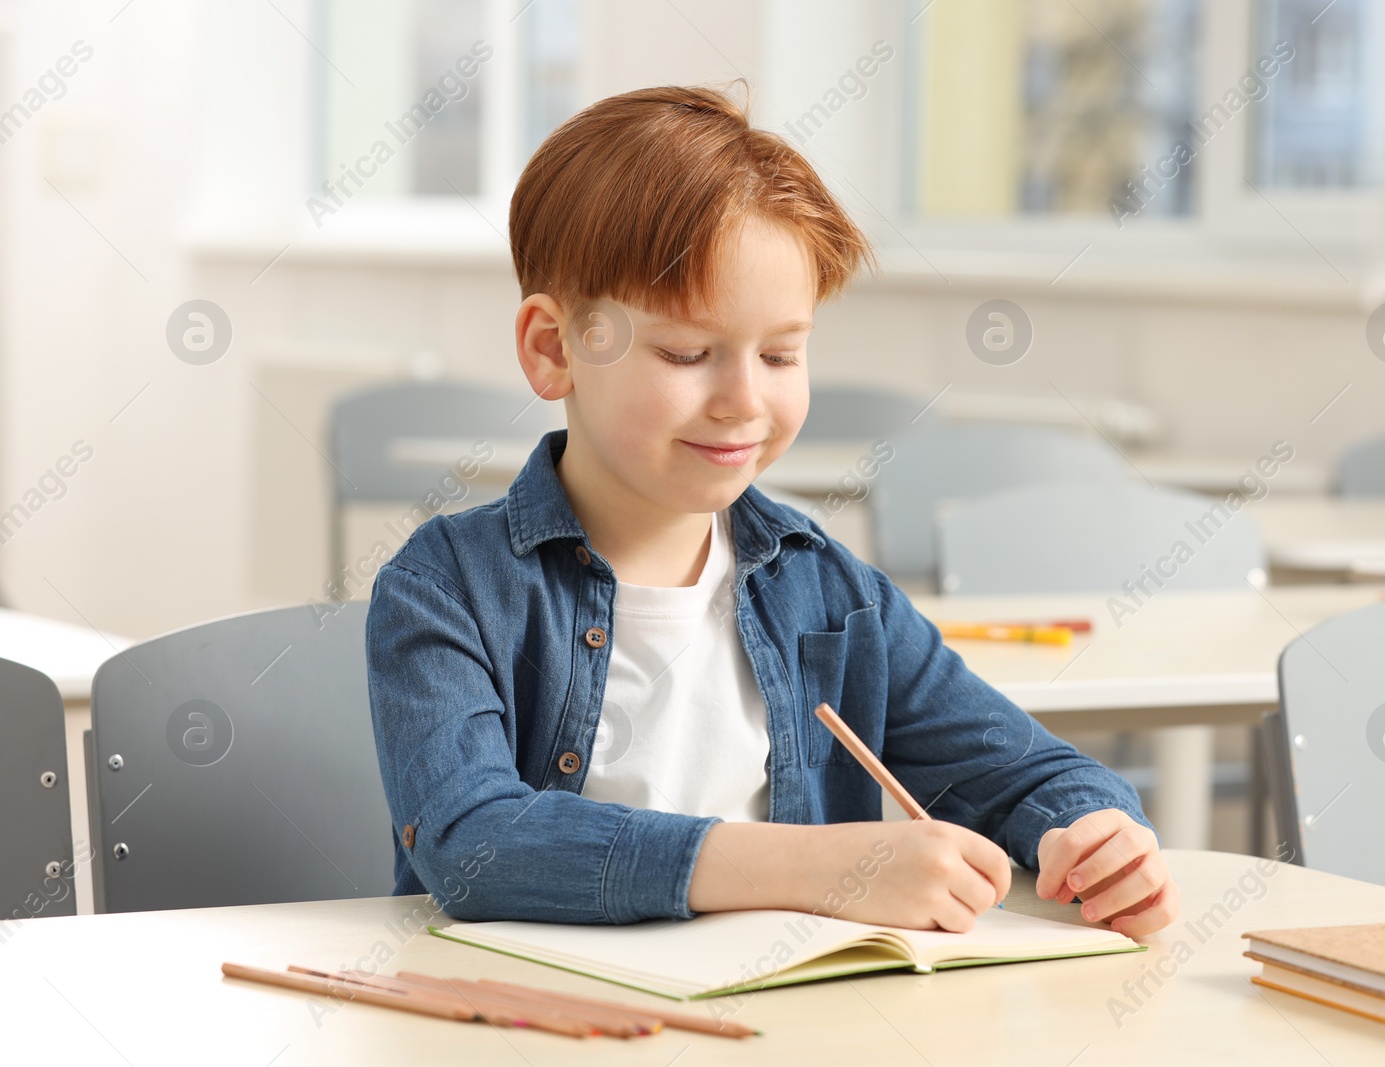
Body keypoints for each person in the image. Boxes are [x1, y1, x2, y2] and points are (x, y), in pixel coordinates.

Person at [365, 84, 1179, 937]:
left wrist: (1096, 834)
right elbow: (473, 842)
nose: (743, 401)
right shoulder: (446, 585)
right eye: (688, 352)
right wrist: (827, 870)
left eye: (783, 353)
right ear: (552, 346)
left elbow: (1024, 770)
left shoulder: (828, 590)